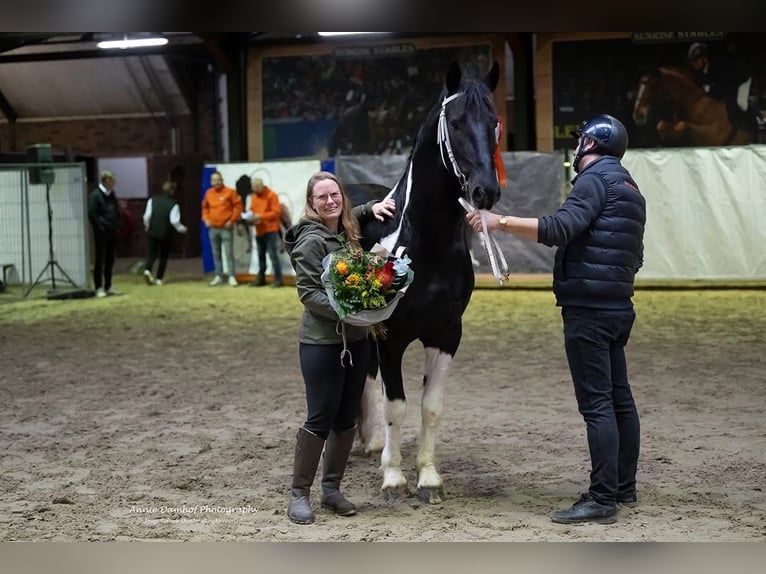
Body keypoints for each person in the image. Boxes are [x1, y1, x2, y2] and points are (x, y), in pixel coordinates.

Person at [467, 114, 646, 525]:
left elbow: (561, 227)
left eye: (582, 138)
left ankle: (602, 499)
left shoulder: (593, 180)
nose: (578, 143)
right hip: (619, 306)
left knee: (598, 404)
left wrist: (500, 222)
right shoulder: (630, 187)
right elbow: (635, 254)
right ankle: (623, 486)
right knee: (619, 399)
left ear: (593, 143)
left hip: (589, 310)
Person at [282, 171, 395, 525]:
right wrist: (353, 312)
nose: (330, 202)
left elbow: (355, 212)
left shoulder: (345, 231)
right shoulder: (310, 241)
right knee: (320, 417)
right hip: (322, 344)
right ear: (311, 204)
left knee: (347, 418)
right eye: (322, 198)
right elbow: (309, 294)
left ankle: (332, 489)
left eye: (335, 195)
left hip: (357, 342)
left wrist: (371, 207)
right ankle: (299, 494)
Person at [686, 42, 759, 134]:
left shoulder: (719, 67)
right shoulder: (698, 72)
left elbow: (726, 89)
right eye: (692, 62)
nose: (693, 64)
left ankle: (758, 118)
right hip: (728, 84)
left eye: (696, 61)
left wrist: (709, 89)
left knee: (741, 104)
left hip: (741, 80)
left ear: (705, 59)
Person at [142, 180, 188, 286]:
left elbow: (146, 216)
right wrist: (182, 229)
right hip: (165, 233)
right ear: (172, 191)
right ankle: (159, 278)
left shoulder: (152, 200)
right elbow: (174, 221)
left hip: (152, 231)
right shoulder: (173, 204)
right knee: (163, 256)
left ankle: (147, 270)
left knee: (151, 253)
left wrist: (147, 226)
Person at [201, 171, 242, 286]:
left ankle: (231, 276)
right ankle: (218, 275)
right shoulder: (209, 193)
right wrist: (206, 219)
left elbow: (238, 207)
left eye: (218, 180)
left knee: (229, 253)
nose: (216, 182)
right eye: (214, 180)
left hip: (226, 228)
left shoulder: (230, 192)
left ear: (222, 180)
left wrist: (232, 220)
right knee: (216, 253)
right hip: (213, 228)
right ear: (211, 182)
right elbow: (205, 208)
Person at [244, 178, 284, 287]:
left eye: (256, 187)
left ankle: (278, 279)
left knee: (273, 256)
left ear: (261, 185)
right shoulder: (254, 196)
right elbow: (252, 210)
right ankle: (261, 279)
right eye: (253, 187)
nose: (254, 189)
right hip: (259, 230)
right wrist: (250, 217)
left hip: (270, 230)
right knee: (261, 256)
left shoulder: (272, 195)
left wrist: (260, 216)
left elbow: (276, 212)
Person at [87, 171, 121, 298]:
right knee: (100, 260)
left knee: (110, 260)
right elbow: (92, 213)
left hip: (112, 232)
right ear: (106, 181)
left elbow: (116, 211)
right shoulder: (95, 196)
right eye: (112, 181)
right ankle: (98, 287)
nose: (114, 184)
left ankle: (108, 286)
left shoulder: (112, 195)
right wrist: (100, 227)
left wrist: (117, 225)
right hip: (101, 233)